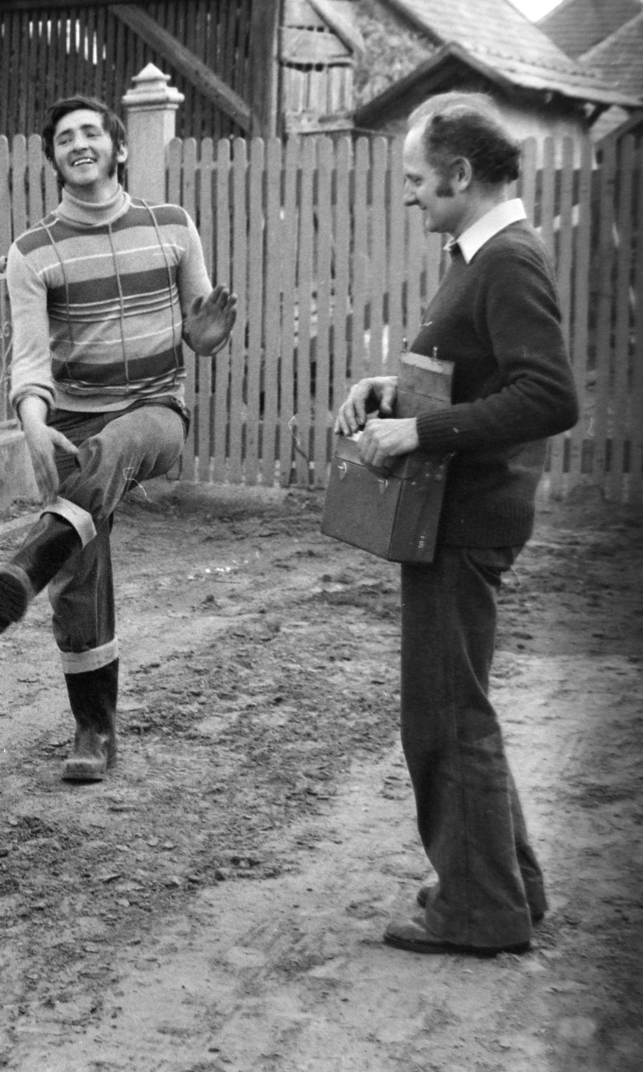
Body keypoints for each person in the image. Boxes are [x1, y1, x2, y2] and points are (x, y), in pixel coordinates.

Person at [336, 95, 578, 957]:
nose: (412, 195)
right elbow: (478, 372)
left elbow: (550, 396)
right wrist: (392, 394)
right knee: (456, 703)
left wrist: (420, 431)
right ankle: (509, 885)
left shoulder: (508, 260)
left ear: (461, 174)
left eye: (418, 181)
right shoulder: (483, 254)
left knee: (444, 712)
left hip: (467, 516)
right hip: (457, 510)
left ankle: (479, 911)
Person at [0, 95, 236, 781]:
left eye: (92, 132)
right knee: (82, 580)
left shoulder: (173, 227)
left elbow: (200, 326)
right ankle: (94, 732)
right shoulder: (32, 253)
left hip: (155, 412)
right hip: (72, 424)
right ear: (53, 158)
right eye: (65, 137)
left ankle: (29, 562)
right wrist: (32, 421)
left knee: (115, 447)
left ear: (119, 149)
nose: (79, 143)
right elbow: (31, 358)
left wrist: (204, 340)